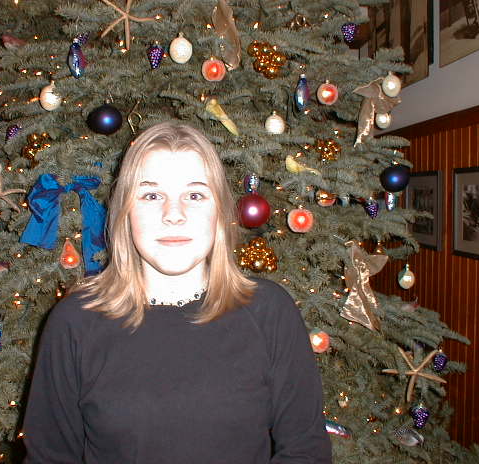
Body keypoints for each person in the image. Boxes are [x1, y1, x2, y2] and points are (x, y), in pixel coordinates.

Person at [23, 122, 332, 463]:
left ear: (219, 213)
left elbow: (306, 451)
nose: (173, 215)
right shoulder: (74, 322)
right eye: (151, 195)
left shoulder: (269, 311)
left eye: (195, 195)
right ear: (125, 212)